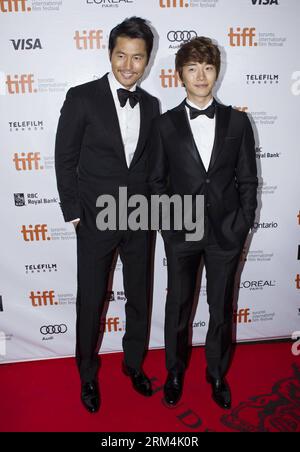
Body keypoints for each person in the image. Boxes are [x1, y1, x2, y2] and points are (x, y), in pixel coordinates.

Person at [55, 17, 159, 413]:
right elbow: (64, 160)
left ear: (147, 61)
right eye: (122, 55)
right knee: (92, 299)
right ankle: (87, 374)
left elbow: (149, 164)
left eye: (137, 58)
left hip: (139, 217)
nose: (128, 65)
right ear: (110, 54)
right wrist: (75, 215)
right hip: (95, 218)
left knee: (139, 295)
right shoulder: (82, 97)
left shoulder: (151, 105)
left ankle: (133, 365)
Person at [148, 37, 257, 409]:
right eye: (192, 68)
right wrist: (170, 225)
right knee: (177, 305)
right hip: (182, 231)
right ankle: (174, 373)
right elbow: (156, 181)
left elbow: (248, 179)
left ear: (217, 72)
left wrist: (242, 224)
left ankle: (216, 374)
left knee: (221, 308)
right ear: (180, 74)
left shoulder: (238, 121)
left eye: (208, 68)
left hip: (226, 232)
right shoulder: (164, 125)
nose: (200, 75)